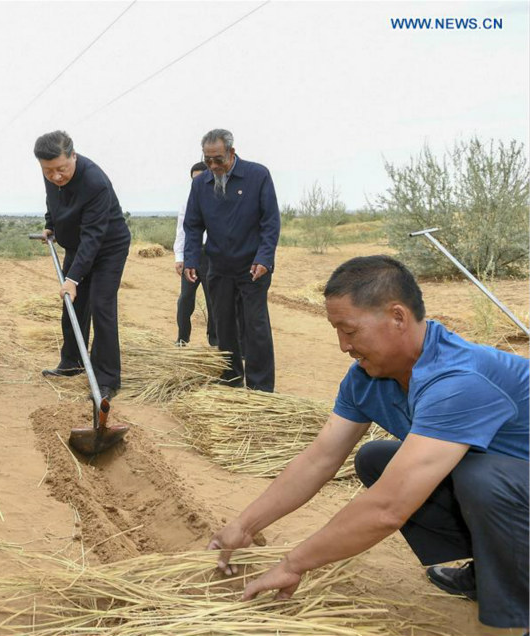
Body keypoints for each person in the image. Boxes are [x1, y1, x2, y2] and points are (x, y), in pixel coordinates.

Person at [207, 255, 529, 629]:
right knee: (376, 458)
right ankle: (488, 568)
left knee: (482, 479)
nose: (343, 345)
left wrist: (293, 564)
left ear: (397, 317)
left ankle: (513, 610)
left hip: (512, 485)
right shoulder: (367, 377)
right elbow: (319, 459)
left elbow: (389, 508)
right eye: (336, 331)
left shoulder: (457, 381)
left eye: (350, 330)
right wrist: (244, 525)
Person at [34, 131, 131, 402]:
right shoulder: (52, 172)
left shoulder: (94, 182)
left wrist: (73, 279)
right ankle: (73, 361)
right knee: (73, 305)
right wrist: (50, 224)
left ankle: (107, 379)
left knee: (101, 306)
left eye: (61, 169)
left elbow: (94, 237)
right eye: (48, 170)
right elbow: (52, 200)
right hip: (79, 245)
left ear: (73, 156)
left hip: (108, 247)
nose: (55, 176)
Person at [183, 129, 280, 391]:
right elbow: (192, 226)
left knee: (255, 326)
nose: (213, 166)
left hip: (253, 267)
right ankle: (231, 377)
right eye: (208, 161)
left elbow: (270, 222)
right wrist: (191, 259)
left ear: (232, 153)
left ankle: (261, 387)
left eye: (218, 160)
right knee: (223, 324)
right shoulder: (200, 184)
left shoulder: (258, 175)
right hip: (218, 266)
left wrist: (264, 258)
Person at [173, 161, 216, 347]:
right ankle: (182, 338)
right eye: (193, 180)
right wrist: (179, 257)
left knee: (213, 300)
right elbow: (181, 231)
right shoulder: (187, 203)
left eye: (200, 179)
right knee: (185, 299)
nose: (196, 183)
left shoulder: (219, 200)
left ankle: (214, 340)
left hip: (212, 256)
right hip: (192, 255)